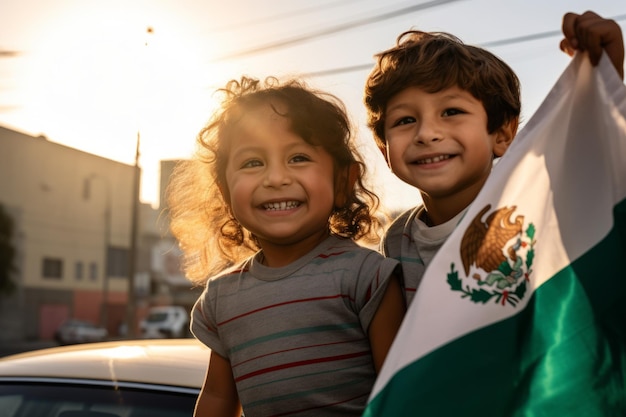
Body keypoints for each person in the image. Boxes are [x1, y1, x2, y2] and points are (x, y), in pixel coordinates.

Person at [167, 76, 405, 417]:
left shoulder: (368, 276)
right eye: (252, 163)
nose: (276, 178)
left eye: (298, 157)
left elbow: (398, 392)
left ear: (342, 182)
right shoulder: (221, 297)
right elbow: (218, 399)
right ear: (225, 193)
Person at [363, 10, 625, 307]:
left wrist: (606, 71)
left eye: (451, 112)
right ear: (385, 150)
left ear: (501, 135)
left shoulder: (532, 210)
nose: (426, 133)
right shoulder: (397, 239)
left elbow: (593, 169)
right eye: (405, 120)